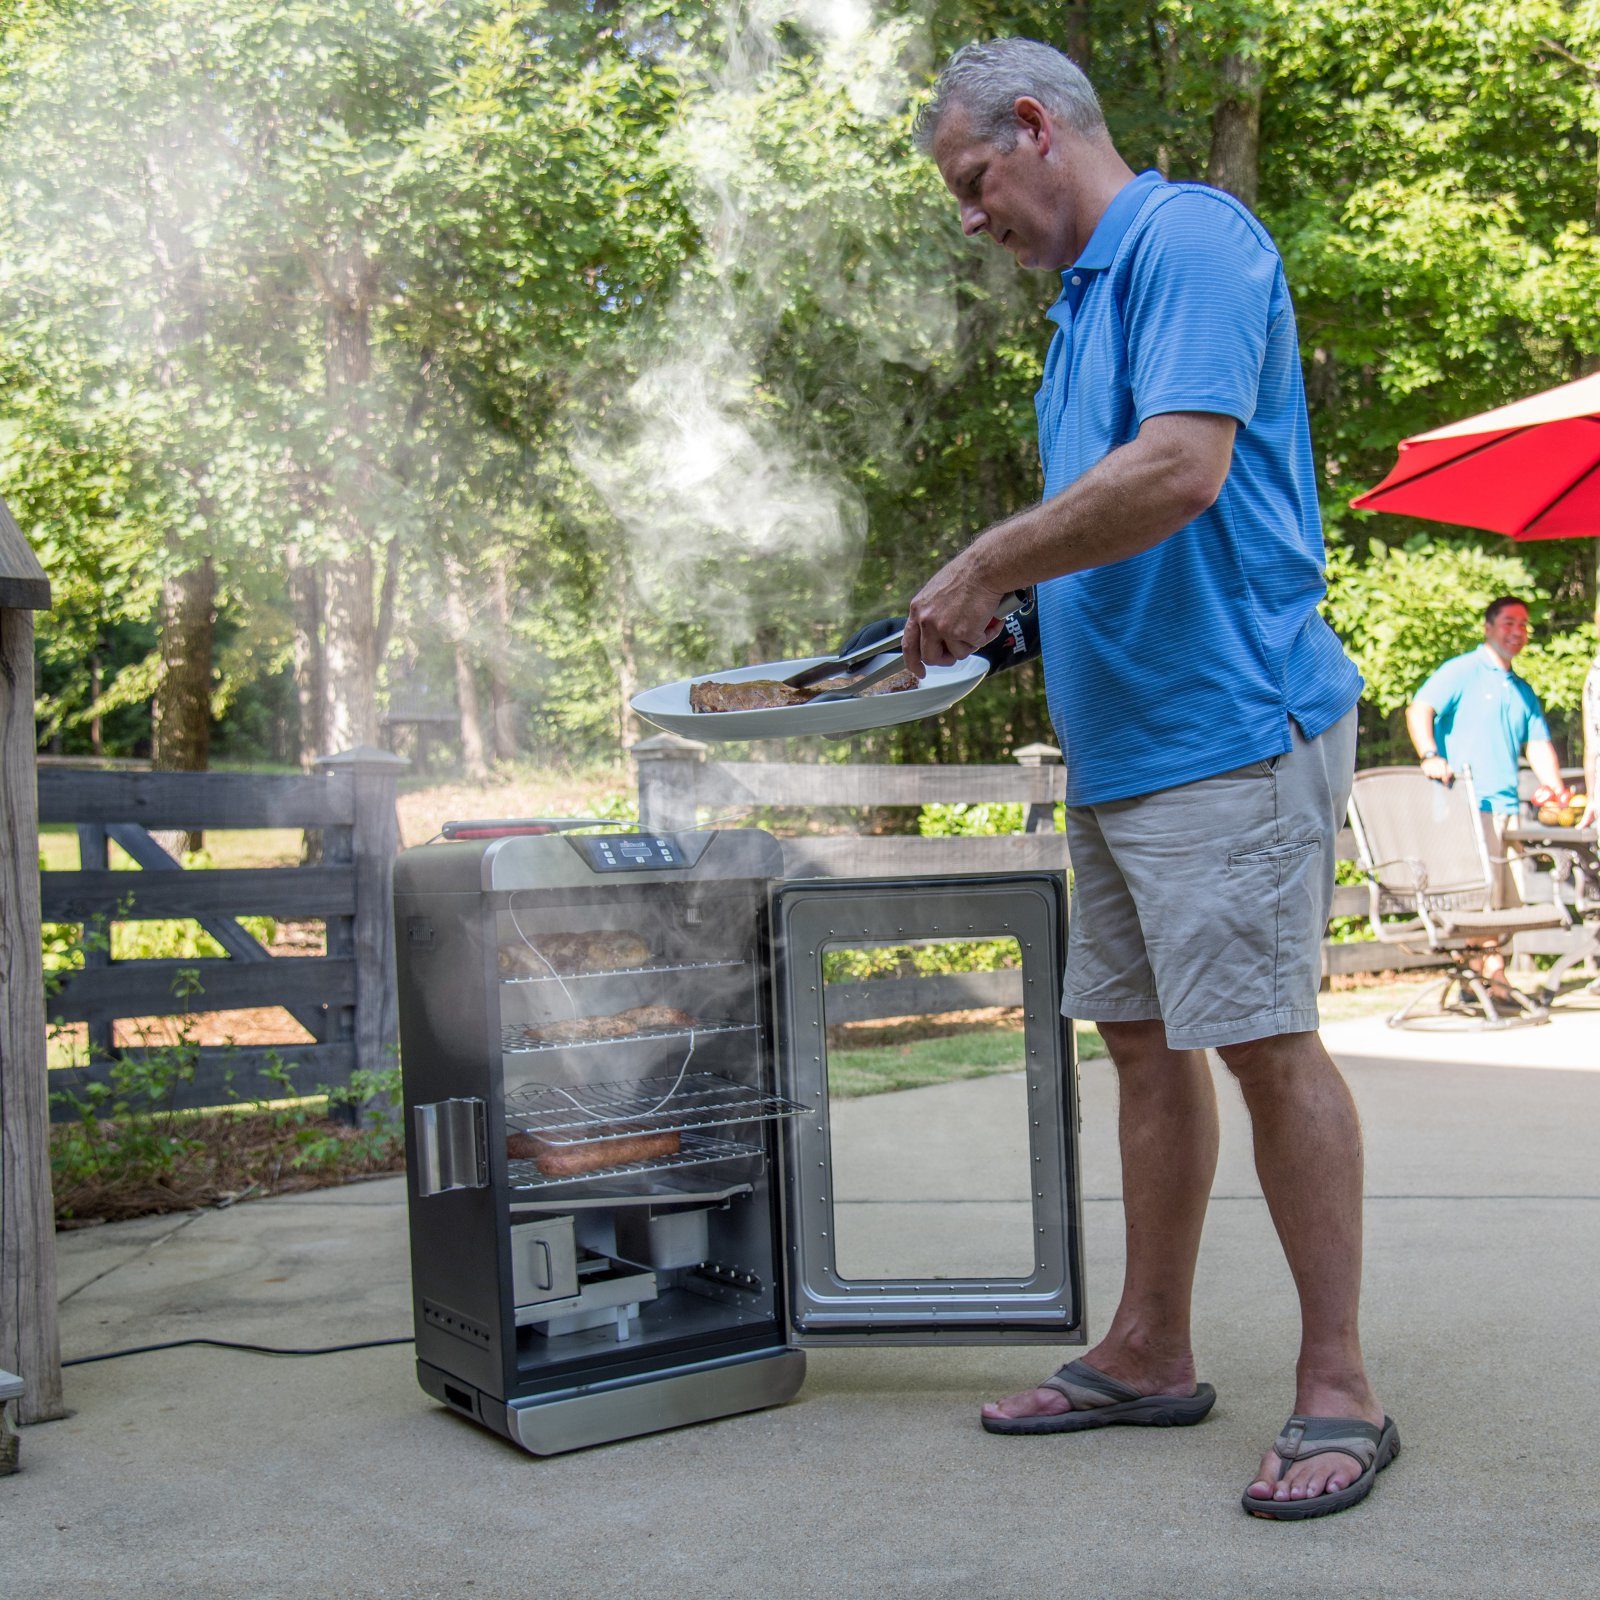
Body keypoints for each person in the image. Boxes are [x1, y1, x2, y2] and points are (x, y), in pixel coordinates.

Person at [893, 39, 1395, 1520]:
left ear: (1038, 129)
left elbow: (1179, 469)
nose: (971, 216)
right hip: (1125, 746)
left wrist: (988, 557)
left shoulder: (1190, 241)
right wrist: (1010, 619)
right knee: (1137, 1040)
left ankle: (1341, 1386)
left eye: (975, 181)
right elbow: (1125, 540)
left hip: (1229, 727)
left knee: (1263, 1041)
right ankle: (1149, 1348)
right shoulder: (1084, 309)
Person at [1406, 596, 1568, 994]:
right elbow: (1419, 708)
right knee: (1479, 900)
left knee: (1504, 898)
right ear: (1489, 626)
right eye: (1509, 623)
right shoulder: (1462, 670)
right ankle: (1493, 980)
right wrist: (1430, 755)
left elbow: (1538, 744)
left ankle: (1480, 981)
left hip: (1505, 806)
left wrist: (1556, 790)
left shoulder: (1520, 689)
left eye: (1524, 625)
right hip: (1465, 804)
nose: (1517, 632)